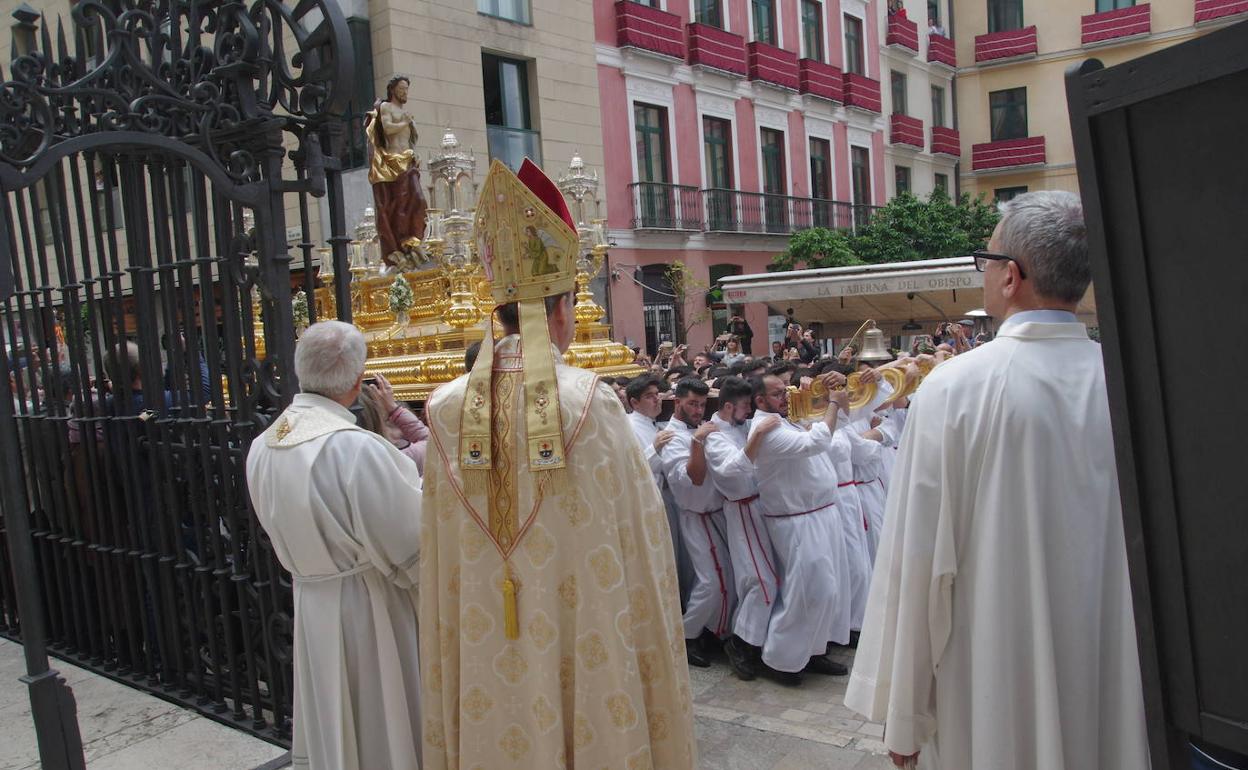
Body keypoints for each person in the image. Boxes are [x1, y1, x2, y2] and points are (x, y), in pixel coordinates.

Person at [845, 191, 1149, 769]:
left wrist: (904, 714)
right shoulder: (1130, 380)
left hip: (991, 678)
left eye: (984, 261)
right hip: (1113, 661)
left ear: (1011, 277)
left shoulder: (956, 388)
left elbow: (919, 565)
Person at [419, 159, 695, 769]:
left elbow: (437, 552)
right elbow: (641, 544)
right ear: (564, 306)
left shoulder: (442, 408)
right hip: (581, 627)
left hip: (481, 630)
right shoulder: (591, 401)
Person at [246, 321, 424, 770]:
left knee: (335, 718)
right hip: (369, 607)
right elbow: (412, 546)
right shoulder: (356, 449)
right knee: (382, 720)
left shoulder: (264, 444)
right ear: (357, 379)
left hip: (312, 599)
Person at [748, 374, 852, 684]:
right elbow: (815, 441)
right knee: (809, 591)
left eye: (785, 390)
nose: (786, 395)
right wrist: (832, 401)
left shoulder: (786, 419)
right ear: (760, 401)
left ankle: (812, 651)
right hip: (795, 519)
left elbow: (833, 427)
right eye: (778, 393)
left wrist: (824, 397)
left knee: (830, 590)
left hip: (820, 514)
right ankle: (780, 660)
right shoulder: (765, 428)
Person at [702, 376, 779, 681]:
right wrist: (758, 435)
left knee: (767, 578)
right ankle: (741, 644)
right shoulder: (713, 435)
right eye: (745, 406)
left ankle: (757, 642)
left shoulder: (740, 425)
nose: (749, 412)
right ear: (729, 405)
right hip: (741, 508)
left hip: (761, 507)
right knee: (761, 581)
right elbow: (732, 469)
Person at [661, 377, 731, 668]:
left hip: (717, 514)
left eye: (702, 404)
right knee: (711, 583)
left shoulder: (702, 427)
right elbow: (696, 476)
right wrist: (699, 441)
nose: (697, 409)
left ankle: (713, 631)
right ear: (677, 402)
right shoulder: (671, 437)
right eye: (691, 403)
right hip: (694, 516)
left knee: (727, 579)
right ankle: (687, 637)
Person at [626, 374, 693, 602]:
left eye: (657, 395)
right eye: (649, 397)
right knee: (663, 557)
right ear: (634, 403)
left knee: (676, 556)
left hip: (667, 498)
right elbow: (633, 469)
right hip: (649, 501)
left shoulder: (655, 426)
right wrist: (654, 448)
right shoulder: (629, 427)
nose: (656, 400)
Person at [365, 75, 428, 266]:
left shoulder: (405, 112)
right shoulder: (386, 108)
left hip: (407, 160)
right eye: (401, 88)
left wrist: (415, 154)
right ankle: (400, 245)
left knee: (417, 199)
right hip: (392, 162)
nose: (405, 92)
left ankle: (413, 240)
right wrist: (405, 121)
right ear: (393, 90)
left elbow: (408, 140)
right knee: (399, 205)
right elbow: (387, 129)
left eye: (407, 89)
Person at [358, 372, 431, 474]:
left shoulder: (343, 457)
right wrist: (393, 409)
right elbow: (431, 444)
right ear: (378, 423)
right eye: (387, 422)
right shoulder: (398, 459)